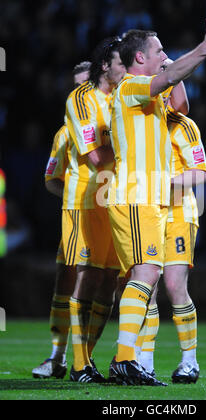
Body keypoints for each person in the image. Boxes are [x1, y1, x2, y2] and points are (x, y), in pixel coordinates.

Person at [108, 16, 206, 386]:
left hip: (156, 202)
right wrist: (205, 49)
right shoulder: (131, 85)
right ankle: (126, 359)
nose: (166, 56)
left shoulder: (161, 111)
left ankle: (137, 362)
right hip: (136, 194)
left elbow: (177, 99)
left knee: (147, 279)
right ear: (138, 59)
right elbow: (167, 80)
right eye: (159, 51)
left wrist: (174, 66)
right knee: (147, 274)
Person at [63, 37, 126, 383]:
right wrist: (135, 157)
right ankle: (77, 364)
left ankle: (89, 360)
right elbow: (95, 157)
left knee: (109, 281)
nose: (127, 68)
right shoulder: (81, 99)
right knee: (87, 276)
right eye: (122, 62)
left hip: (114, 199)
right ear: (106, 65)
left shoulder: (123, 96)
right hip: (85, 199)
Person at [137, 104, 206, 384]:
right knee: (147, 286)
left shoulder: (183, 125)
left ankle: (189, 362)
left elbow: (199, 173)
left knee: (175, 286)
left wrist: (163, 182)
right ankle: (145, 362)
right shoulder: (138, 123)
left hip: (179, 213)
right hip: (147, 212)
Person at [32, 62, 91, 380]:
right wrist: (77, 195)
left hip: (119, 213)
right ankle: (58, 357)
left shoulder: (118, 119)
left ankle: (133, 359)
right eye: (75, 86)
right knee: (67, 279)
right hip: (79, 218)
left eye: (85, 85)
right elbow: (51, 179)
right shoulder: (65, 133)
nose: (79, 92)